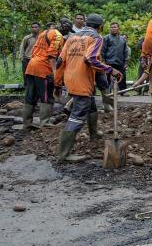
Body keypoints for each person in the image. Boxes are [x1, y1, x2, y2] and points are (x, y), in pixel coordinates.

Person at [54, 13, 123, 162]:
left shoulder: (72, 38)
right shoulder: (96, 38)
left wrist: (57, 83)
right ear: (101, 27)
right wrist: (111, 70)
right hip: (82, 80)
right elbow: (90, 59)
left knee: (91, 106)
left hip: (70, 79)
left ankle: (94, 134)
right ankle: (64, 154)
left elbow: (60, 61)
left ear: (86, 24)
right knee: (77, 116)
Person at [23, 21, 64, 130]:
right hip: (43, 68)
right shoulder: (58, 35)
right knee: (46, 96)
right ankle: (45, 122)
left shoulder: (42, 33)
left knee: (30, 95)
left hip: (32, 66)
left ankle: (27, 123)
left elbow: (34, 50)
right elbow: (51, 55)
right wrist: (55, 73)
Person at [102, 22, 129, 92]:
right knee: (107, 78)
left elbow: (125, 51)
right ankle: (107, 92)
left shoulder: (122, 39)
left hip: (120, 62)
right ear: (110, 29)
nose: (114, 28)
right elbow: (103, 51)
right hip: (109, 62)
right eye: (112, 27)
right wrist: (103, 62)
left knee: (122, 76)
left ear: (118, 28)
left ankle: (123, 91)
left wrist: (126, 62)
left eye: (115, 27)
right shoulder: (106, 38)